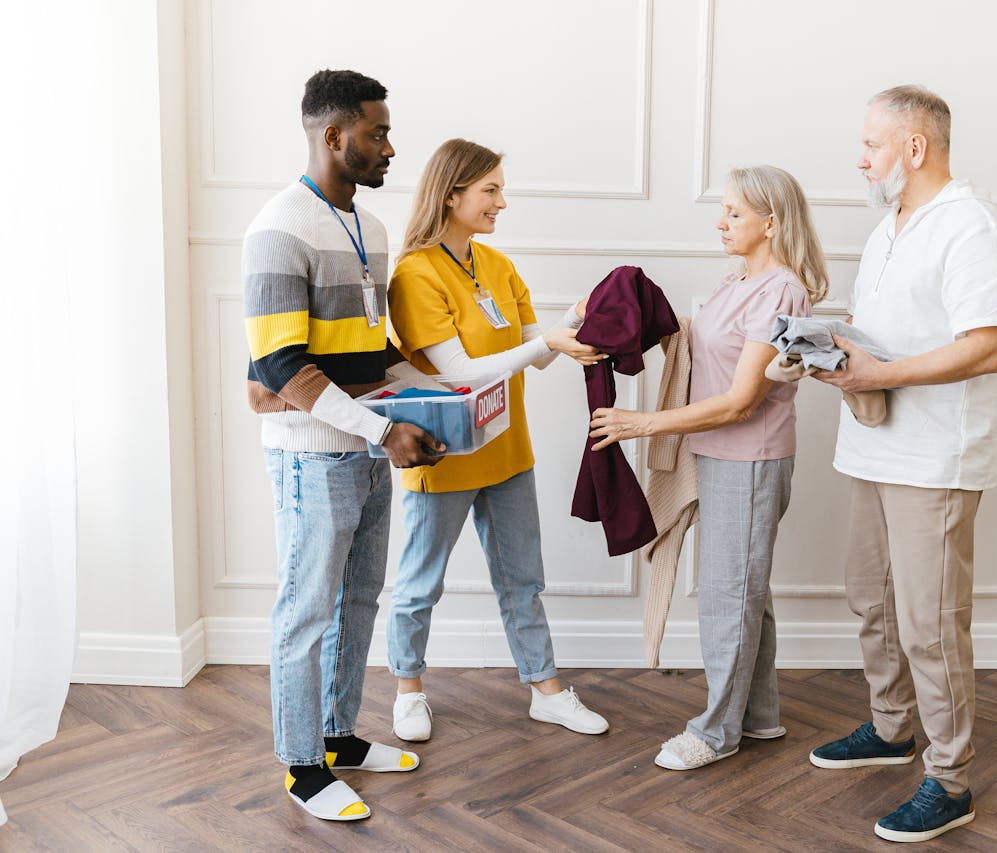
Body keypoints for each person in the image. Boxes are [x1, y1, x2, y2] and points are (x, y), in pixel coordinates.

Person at [808, 85, 997, 844]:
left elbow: (989, 345)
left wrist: (881, 373)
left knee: (931, 624)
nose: (861, 159)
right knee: (871, 596)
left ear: (915, 146)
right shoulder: (889, 227)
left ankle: (950, 779)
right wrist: (831, 350)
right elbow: (885, 329)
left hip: (935, 457)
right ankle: (891, 725)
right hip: (874, 443)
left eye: (871, 144)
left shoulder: (971, 226)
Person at [242, 69, 446, 822]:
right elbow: (280, 365)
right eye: (376, 132)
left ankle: (337, 736)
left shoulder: (372, 228)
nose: (389, 148)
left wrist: (443, 398)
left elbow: (371, 353)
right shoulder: (278, 227)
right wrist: (385, 430)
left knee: (359, 597)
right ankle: (303, 767)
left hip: (364, 449)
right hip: (310, 456)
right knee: (306, 612)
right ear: (333, 135)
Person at [589, 165, 827, 771]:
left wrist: (643, 423)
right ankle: (759, 715)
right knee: (747, 589)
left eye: (734, 213)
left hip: (750, 458)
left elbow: (742, 401)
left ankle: (716, 733)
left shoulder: (779, 291)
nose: (721, 222)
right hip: (718, 454)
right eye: (723, 210)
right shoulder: (737, 280)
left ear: (771, 223)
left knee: (730, 594)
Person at [385, 138, 610, 742]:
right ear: (451, 194)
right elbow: (458, 372)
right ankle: (408, 690)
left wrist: (577, 318)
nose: (501, 203)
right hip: (445, 454)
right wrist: (549, 343)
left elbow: (537, 353)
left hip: (507, 448)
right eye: (490, 190)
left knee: (523, 579)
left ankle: (546, 691)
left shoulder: (497, 265)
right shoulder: (415, 274)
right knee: (420, 584)